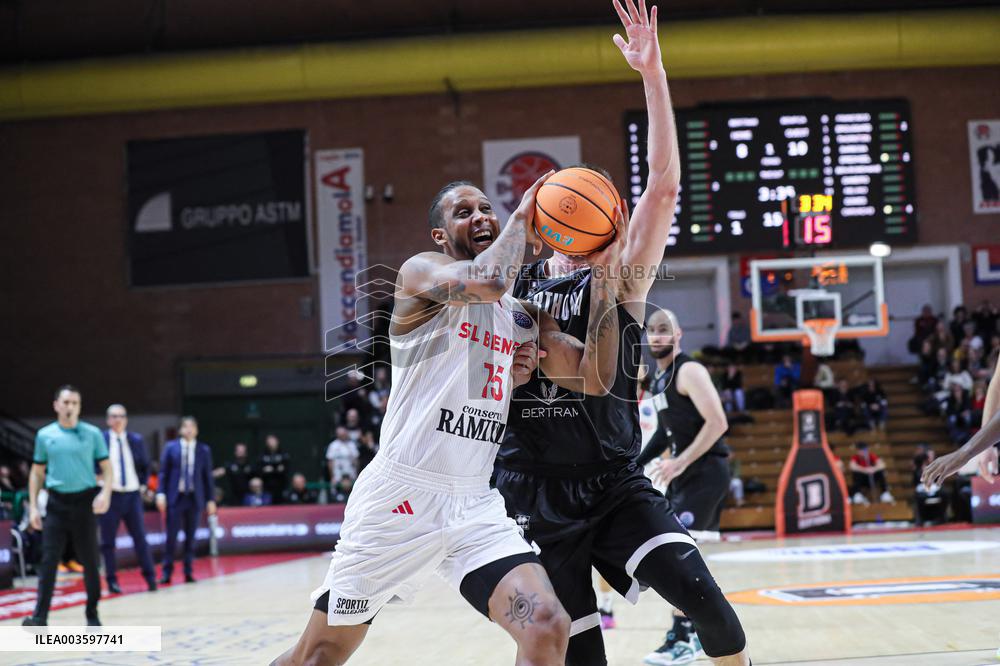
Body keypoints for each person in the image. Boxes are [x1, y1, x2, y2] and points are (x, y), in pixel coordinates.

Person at [273, 162, 624, 665]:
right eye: (465, 212)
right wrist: (523, 217)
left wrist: (608, 279)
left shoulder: (523, 316)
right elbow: (488, 281)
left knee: (548, 624)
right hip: (399, 499)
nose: (480, 215)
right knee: (320, 655)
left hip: (474, 505)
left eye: (487, 207)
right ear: (440, 234)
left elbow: (595, 377)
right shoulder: (422, 274)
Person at [496, 3, 749, 666]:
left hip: (612, 479)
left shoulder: (617, 282)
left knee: (705, 599)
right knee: (579, 654)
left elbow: (663, 188)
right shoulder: (511, 290)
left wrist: (654, 73)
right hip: (531, 489)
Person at [634, 308, 733, 663]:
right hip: (685, 475)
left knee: (680, 556)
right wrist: (634, 465)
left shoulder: (689, 370)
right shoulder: (659, 380)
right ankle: (685, 633)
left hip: (705, 472)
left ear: (679, 335)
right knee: (678, 555)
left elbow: (717, 422)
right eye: (652, 330)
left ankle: (686, 636)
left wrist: (681, 461)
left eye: (665, 330)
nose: (657, 336)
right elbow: (664, 433)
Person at [23, 385, 113, 627]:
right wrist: (33, 507)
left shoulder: (92, 434)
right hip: (56, 503)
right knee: (49, 560)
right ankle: (40, 617)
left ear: (79, 406)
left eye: (75, 403)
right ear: (56, 405)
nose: (70, 407)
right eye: (66, 402)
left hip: (84, 503)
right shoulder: (45, 435)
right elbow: (36, 473)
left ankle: (92, 614)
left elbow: (107, 467)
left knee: (90, 562)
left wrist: (105, 493)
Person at [99, 403, 157, 594]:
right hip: (111, 494)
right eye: (114, 416)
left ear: (126, 419)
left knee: (140, 538)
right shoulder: (101, 439)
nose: (118, 419)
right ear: (108, 420)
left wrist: (142, 485)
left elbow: (145, 466)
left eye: (121, 416)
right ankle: (112, 581)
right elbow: (93, 464)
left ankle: (150, 578)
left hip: (132, 494)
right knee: (108, 541)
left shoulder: (136, 440)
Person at [156, 416, 216, 584]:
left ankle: (188, 571)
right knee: (171, 537)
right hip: (176, 498)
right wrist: (161, 493)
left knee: (191, 538)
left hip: (194, 498)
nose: (189, 429)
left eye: (192, 427)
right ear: (181, 430)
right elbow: (163, 473)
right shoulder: (171, 448)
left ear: (196, 430)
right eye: (186, 426)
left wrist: (210, 499)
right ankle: (167, 572)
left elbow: (207, 477)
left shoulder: (203, 450)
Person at [259, 434, 290, 503]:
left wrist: (271, 469)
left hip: (281, 485)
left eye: (273, 441)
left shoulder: (284, 454)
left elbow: (285, 469)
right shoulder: (262, 455)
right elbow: (260, 470)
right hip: (267, 486)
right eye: (269, 442)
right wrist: (276, 469)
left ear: (277, 442)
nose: (271, 444)